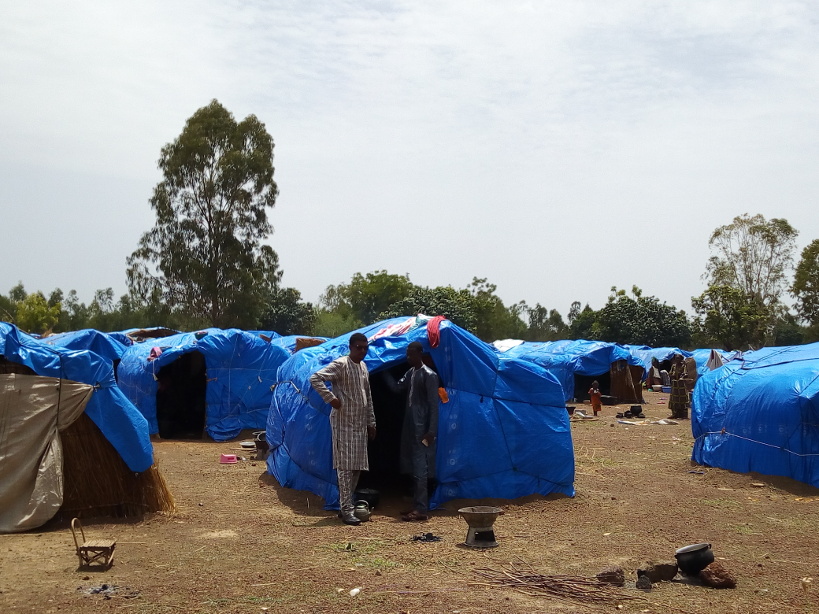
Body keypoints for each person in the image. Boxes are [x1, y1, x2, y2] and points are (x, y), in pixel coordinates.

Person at [309, 332, 377, 525]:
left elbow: (368, 396)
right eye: (358, 348)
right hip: (343, 424)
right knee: (345, 468)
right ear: (351, 347)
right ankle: (347, 510)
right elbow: (315, 378)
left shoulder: (363, 367)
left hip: (359, 425)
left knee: (357, 468)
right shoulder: (341, 364)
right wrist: (331, 399)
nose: (362, 351)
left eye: (365, 348)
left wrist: (371, 422)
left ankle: (346, 506)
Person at [383, 341, 439, 521]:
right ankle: (416, 503)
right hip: (411, 424)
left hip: (422, 427)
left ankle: (421, 508)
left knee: (421, 467)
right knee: (412, 465)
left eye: (411, 354)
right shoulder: (411, 373)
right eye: (407, 354)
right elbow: (397, 387)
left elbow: (434, 405)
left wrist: (431, 431)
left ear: (420, 354)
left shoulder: (429, 375)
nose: (408, 357)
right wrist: (383, 370)